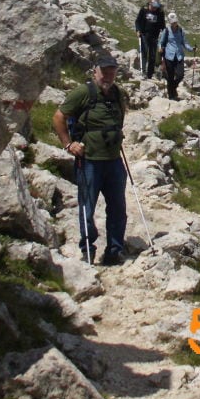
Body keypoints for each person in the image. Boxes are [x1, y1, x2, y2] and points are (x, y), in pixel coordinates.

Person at [52, 53, 128, 265]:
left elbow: (120, 118)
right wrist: (68, 144)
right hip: (89, 160)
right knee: (88, 206)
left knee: (118, 207)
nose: (108, 75)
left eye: (112, 71)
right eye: (104, 71)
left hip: (113, 160)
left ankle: (114, 249)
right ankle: (88, 248)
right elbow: (59, 117)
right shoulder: (83, 93)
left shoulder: (117, 94)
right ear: (96, 71)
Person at [157, 12, 195, 101]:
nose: (174, 24)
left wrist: (191, 49)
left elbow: (185, 43)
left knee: (180, 75)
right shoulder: (166, 30)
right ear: (170, 22)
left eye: (175, 22)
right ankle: (171, 96)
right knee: (170, 77)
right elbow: (161, 42)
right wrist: (160, 48)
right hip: (169, 56)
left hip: (179, 56)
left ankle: (172, 89)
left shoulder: (181, 31)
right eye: (172, 22)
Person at [134, 0, 165, 79]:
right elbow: (137, 21)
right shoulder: (144, 9)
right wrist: (138, 30)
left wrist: (164, 33)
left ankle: (150, 73)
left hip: (155, 36)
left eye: (156, 7)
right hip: (144, 34)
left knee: (152, 55)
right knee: (144, 52)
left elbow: (162, 25)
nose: (155, 8)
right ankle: (143, 71)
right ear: (150, 3)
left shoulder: (160, 12)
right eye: (154, 6)